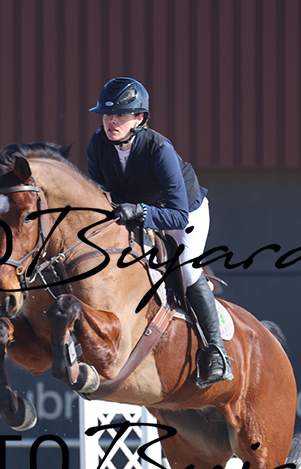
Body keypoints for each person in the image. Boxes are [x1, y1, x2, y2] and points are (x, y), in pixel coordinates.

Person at [87, 76, 233, 387]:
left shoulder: (159, 149)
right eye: (107, 114)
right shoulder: (97, 143)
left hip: (184, 212)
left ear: (139, 118)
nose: (111, 121)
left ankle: (216, 352)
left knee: (187, 269)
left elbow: (178, 215)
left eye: (120, 115)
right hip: (134, 212)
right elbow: (98, 195)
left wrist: (140, 212)